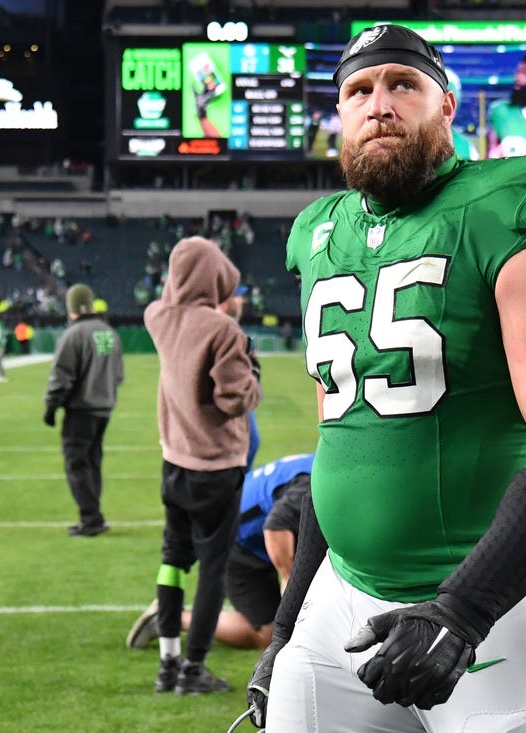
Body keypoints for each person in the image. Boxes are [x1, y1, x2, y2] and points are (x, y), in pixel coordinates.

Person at [245, 24, 526, 732]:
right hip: (338, 601)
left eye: (403, 84)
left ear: (447, 105)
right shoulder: (321, 234)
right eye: (358, 90)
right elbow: (339, 443)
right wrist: (286, 627)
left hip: (496, 612)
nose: (379, 104)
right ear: (339, 114)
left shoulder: (512, 206)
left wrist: (462, 610)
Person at [143, 236, 262, 696]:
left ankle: (167, 664)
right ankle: (193, 671)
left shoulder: (157, 317)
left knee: (172, 560)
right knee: (213, 569)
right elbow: (234, 400)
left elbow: (171, 300)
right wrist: (251, 370)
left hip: (173, 461)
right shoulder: (223, 330)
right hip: (215, 467)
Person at [126, 453, 315, 651]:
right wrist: (292, 588)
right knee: (270, 634)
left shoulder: (323, 466)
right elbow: (276, 526)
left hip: (245, 522)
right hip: (237, 542)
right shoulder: (312, 484)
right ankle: (171, 618)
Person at [43, 284, 124, 537]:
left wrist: (51, 406)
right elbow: (118, 376)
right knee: (92, 462)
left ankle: (91, 518)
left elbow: (61, 376)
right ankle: (93, 514)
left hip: (81, 410)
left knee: (77, 464)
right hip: (104, 408)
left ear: (72, 307)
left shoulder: (74, 335)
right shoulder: (109, 333)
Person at [219, 283, 260, 470]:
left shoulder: (232, 327)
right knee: (250, 442)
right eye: (237, 296)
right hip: (234, 396)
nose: (241, 301)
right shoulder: (222, 327)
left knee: (250, 443)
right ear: (225, 301)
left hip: (240, 394)